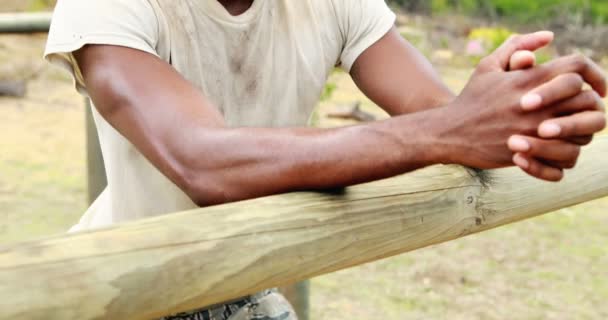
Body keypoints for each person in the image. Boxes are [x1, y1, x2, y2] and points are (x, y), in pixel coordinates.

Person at [44, 0, 606, 319]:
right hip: (126, 294)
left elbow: (442, 114)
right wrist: (456, 126)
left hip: (243, 287)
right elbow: (204, 163)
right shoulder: (110, 5)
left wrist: (523, 113)